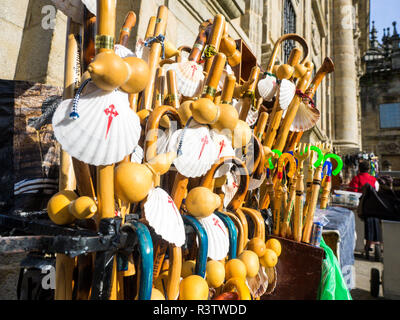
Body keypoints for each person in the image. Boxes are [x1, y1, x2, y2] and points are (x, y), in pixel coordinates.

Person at [348, 161, 382, 261]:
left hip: (361, 208)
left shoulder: (356, 178)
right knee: (375, 221)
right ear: (369, 170)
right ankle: (374, 242)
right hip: (373, 208)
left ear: (359, 169)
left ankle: (363, 245)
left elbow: (352, 193)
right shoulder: (373, 179)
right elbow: (376, 191)